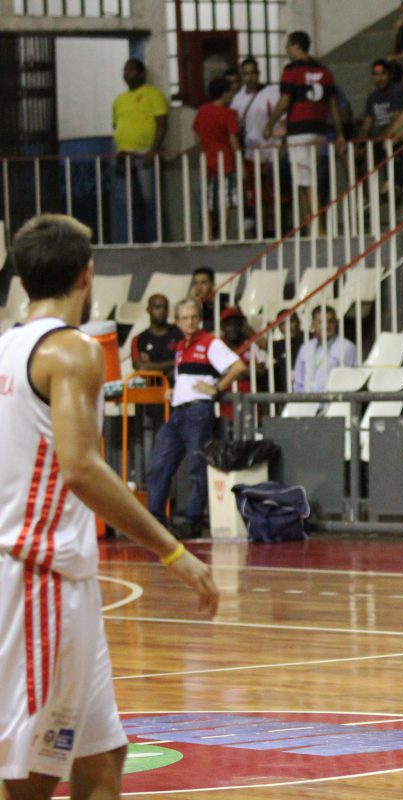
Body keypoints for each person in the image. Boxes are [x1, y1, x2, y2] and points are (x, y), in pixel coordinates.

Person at [0, 214, 218, 800]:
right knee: (32, 778)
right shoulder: (72, 349)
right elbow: (81, 467)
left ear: (22, 278)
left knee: (102, 756)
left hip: (51, 575)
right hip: (41, 576)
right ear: (87, 275)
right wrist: (173, 552)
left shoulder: (5, 348)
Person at [145, 299, 248, 538]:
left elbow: (238, 367)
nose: (190, 322)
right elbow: (188, 378)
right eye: (185, 318)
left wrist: (217, 388)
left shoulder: (210, 342)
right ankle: (155, 521)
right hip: (179, 410)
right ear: (177, 322)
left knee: (196, 467)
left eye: (193, 317)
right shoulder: (181, 346)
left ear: (199, 319)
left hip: (197, 411)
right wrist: (174, 391)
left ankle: (192, 520)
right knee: (159, 465)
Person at [263, 31, 345, 231]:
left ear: (296, 46)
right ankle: (312, 225)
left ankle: (317, 227)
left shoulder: (292, 70)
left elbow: (285, 101)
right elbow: (334, 105)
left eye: (288, 46)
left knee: (303, 180)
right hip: (319, 130)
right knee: (311, 177)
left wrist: (270, 124)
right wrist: (340, 133)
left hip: (299, 130)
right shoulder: (324, 70)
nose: (287, 51)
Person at [110, 58, 168, 244]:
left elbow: (162, 124)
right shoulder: (119, 100)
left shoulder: (154, 95)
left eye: (131, 70)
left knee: (150, 200)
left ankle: (156, 240)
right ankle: (134, 241)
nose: (126, 74)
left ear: (141, 73)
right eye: (124, 70)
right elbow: (116, 125)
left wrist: (153, 151)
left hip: (145, 154)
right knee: (128, 202)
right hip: (124, 156)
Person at [230, 57, 284, 237]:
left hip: (272, 150)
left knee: (273, 194)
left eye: (253, 73)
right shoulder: (237, 99)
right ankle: (261, 231)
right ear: (242, 76)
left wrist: (281, 141)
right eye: (246, 74)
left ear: (258, 74)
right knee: (256, 195)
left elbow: (283, 118)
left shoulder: (272, 93)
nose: (250, 77)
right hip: (250, 154)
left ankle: (274, 230)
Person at [193, 77, 241, 240]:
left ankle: (208, 237)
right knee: (225, 201)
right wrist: (240, 164)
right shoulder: (229, 114)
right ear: (224, 93)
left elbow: (197, 136)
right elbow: (233, 139)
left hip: (207, 161)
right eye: (230, 92)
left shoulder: (202, 111)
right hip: (225, 162)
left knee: (207, 201)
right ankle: (222, 237)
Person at [292, 307, 358, 393]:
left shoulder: (346, 347)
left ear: (336, 323)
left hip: (333, 399)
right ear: (313, 324)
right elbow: (298, 382)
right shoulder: (306, 348)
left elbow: (351, 380)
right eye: (321, 322)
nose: (326, 326)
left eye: (330, 322)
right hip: (306, 399)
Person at [130, 293, 183, 380]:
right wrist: (175, 363)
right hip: (152, 387)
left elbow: (188, 361)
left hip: (177, 385)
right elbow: (142, 369)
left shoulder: (180, 333)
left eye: (165, 307)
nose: (162, 311)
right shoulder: (139, 339)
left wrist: (151, 366)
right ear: (148, 310)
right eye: (157, 307)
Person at [188, 266, 217, 330]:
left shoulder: (223, 301)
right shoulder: (191, 303)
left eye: (203, 283)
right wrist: (192, 303)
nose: (198, 287)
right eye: (196, 283)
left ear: (212, 285)